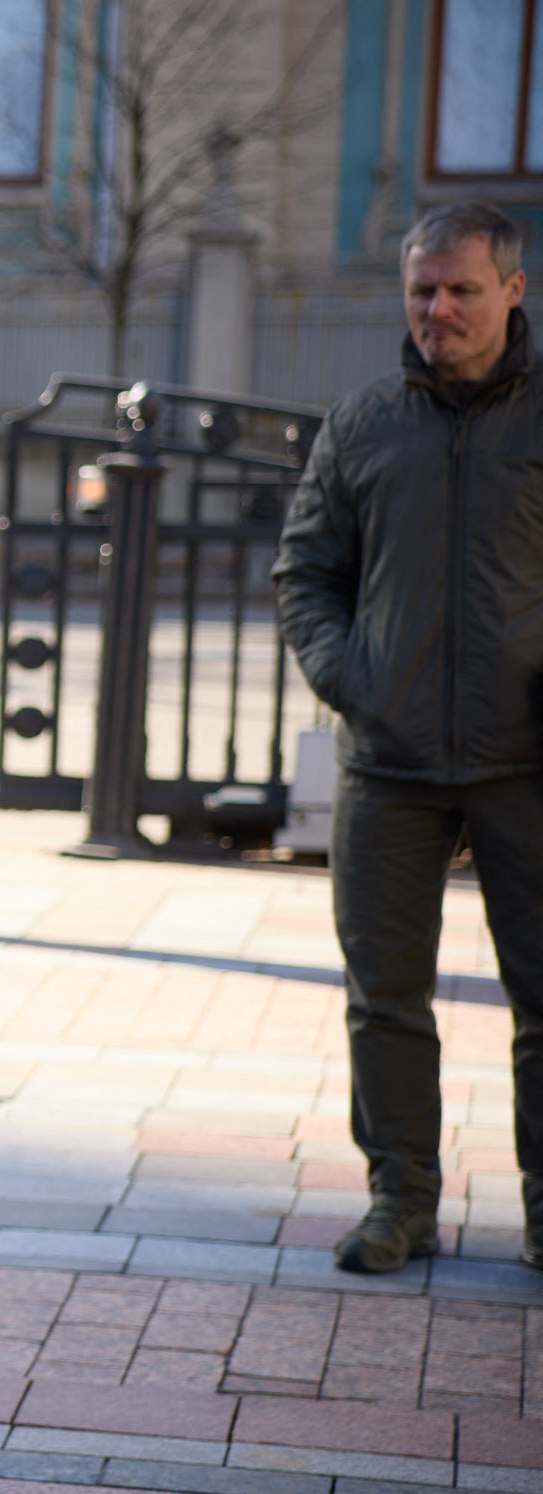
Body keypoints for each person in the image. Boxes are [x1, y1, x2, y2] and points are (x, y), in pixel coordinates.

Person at [276, 202, 543, 1277]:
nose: (438, 309)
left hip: (528, 761)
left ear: (512, 291)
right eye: (422, 291)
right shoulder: (364, 422)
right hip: (386, 765)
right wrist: (354, 680)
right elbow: (306, 572)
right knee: (385, 996)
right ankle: (401, 1200)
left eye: (461, 290)